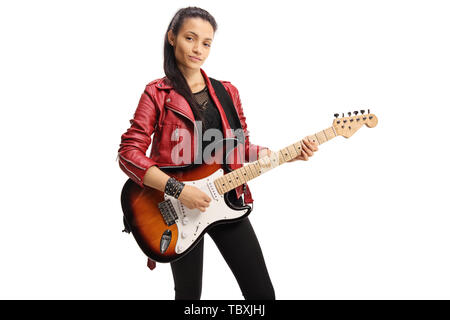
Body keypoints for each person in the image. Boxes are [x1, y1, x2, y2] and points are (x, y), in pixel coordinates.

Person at [117, 6, 319, 300]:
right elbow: (128, 153)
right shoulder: (156, 93)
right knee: (188, 297)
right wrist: (178, 189)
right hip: (176, 209)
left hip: (226, 198)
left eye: (206, 42)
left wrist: (284, 155)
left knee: (261, 294)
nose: (198, 48)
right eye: (190, 38)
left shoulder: (228, 91)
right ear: (172, 37)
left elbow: (237, 148)